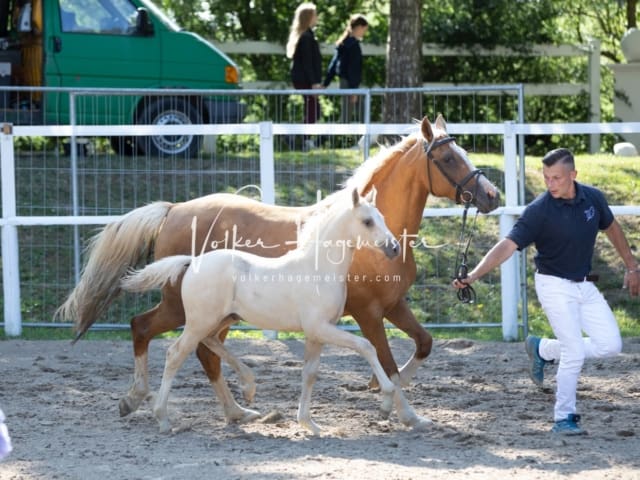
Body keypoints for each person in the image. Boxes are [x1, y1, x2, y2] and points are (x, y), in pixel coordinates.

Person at [452, 147, 639, 436]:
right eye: (546, 178)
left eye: (557, 178)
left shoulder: (593, 198)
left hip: (585, 285)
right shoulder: (539, 210)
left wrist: (631, 266)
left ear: (573, 175)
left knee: (611, 345)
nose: (550, 184)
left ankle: (543, 349)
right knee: (575, 350)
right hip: (553, 285)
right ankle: (564, 417)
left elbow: (612, 228)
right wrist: (474, 274)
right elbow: (507, 245)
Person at [286, 3, 323, 150]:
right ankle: (303, 139)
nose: (317, 17)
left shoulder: (307, 35)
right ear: (309, 17)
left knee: (313, 109)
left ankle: (297, 136)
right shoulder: (306, 37)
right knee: (313, 109)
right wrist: (314, 82)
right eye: (315, 14)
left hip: (303, 78)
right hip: (305, 79)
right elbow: (308, 62)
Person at [323, 14, 369, 124]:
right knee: (351, 116)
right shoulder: (353, 46)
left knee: (351, 114)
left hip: (345, 82)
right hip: (350, 84)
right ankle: (347, 139)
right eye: (364, 29)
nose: (364, 33)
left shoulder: (343, 43)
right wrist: (353, 89)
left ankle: (350, 139)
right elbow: (353, 69)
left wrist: (325, 83)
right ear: (359, 27)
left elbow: (334, 65)